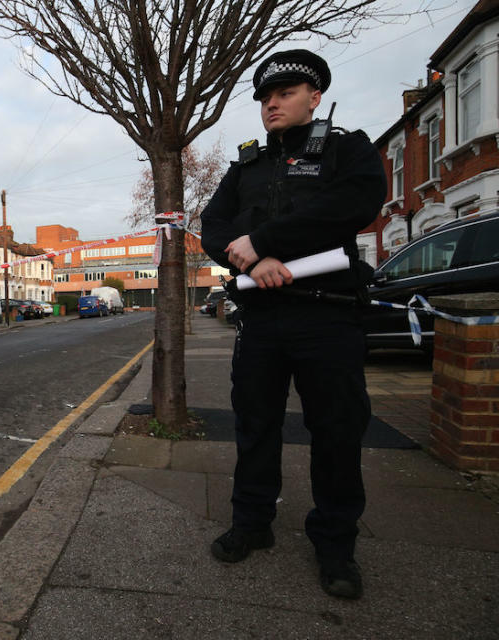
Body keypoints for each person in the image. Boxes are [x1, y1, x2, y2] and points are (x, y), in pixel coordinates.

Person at [200, 49, 386, 599]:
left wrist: (265, 241)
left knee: (335, 431)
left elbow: (355, 204)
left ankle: (334, 545)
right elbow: (214, 226)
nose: (271, 104)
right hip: (262, 318)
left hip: (327, 314)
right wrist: (255, 262)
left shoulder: (345, 149)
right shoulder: (248, 164)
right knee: (255, 426)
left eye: (283, 93)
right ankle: (252, 523)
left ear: (314, 96)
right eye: (264, 97)